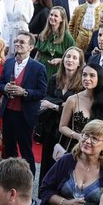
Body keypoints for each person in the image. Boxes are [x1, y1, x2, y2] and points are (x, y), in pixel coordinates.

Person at [41, 120, 103, 205]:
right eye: (85, 135)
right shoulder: (66, 161)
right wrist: (64, 203)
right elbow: (45, 190)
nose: (87, 141)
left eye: (94, 139)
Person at [0, 31, 48, 177]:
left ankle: (29, 177)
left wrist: (24, 92)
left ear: (31, 47)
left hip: (24, 115)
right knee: (8, 147)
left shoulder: (38, 67)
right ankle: (9, 175)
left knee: (25, 149)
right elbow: (0, 84)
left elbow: (42, 92)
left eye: (22, 42)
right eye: (16, 42)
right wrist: (5, 88)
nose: (17, 44)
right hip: (8, 112)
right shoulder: (8, 63)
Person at [38, 47, 83, 180]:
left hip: (68, 131)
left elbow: (77, 109)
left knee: (62, 165)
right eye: (68, 57)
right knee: (46, 163)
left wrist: (54, 106)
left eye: (74, 58)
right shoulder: (54, 78)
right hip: (50, 128)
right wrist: (62, 105)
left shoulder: (82, 84)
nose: (70, 60)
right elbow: (45, 99)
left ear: (79, 63)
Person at [35, 7, 75, 76]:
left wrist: (60, 60)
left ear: (61, 19)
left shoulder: (67, 37)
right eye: (51, 15)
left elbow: (74, 57)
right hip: (41, 69)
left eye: (56, 16)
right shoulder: (43, 34)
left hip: (57, 71)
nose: (52, 17)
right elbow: (38, 54)